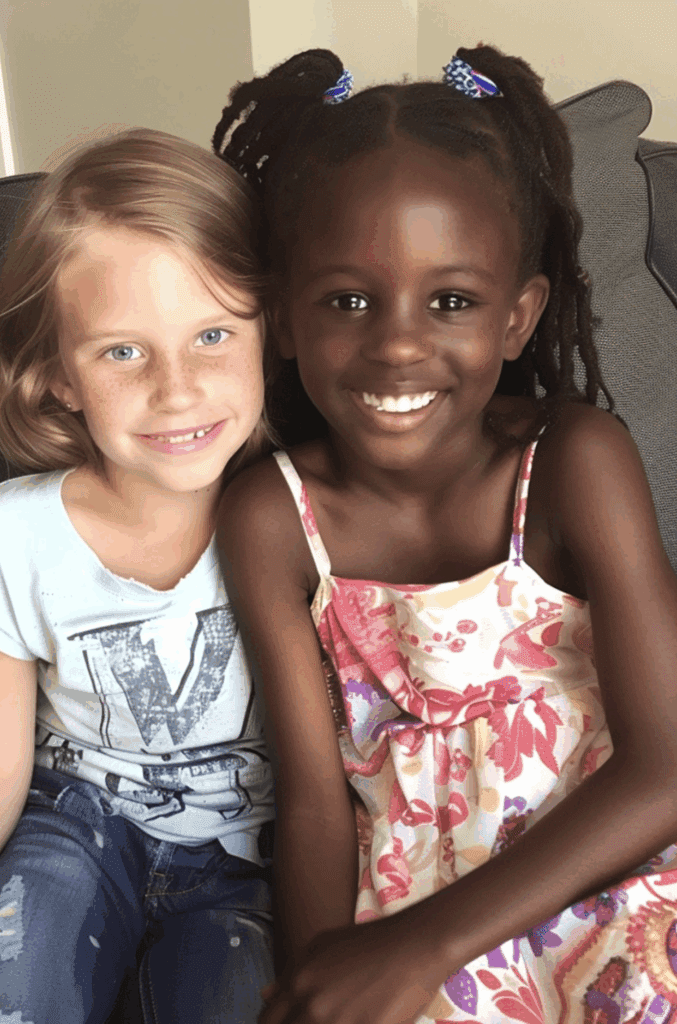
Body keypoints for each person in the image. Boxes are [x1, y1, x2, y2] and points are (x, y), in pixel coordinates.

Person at [213, 46, 677, 1024]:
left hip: (611, 867)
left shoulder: (573, 462)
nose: (397, 343)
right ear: (283, 317)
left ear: (518, 317)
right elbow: (312, 802)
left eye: (452, 301)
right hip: (408, 905)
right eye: (348, 300)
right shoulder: (271, 518)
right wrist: (323, 979)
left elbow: (666, 765)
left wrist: (422, 944)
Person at [0, 128, 277, 1024]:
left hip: (245, 867)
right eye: (123, 352)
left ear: (268, 333)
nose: (178, 388)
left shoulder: (309, 520)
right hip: (70, 829)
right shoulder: (8, 538)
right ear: (57, 376)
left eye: (212, 334)